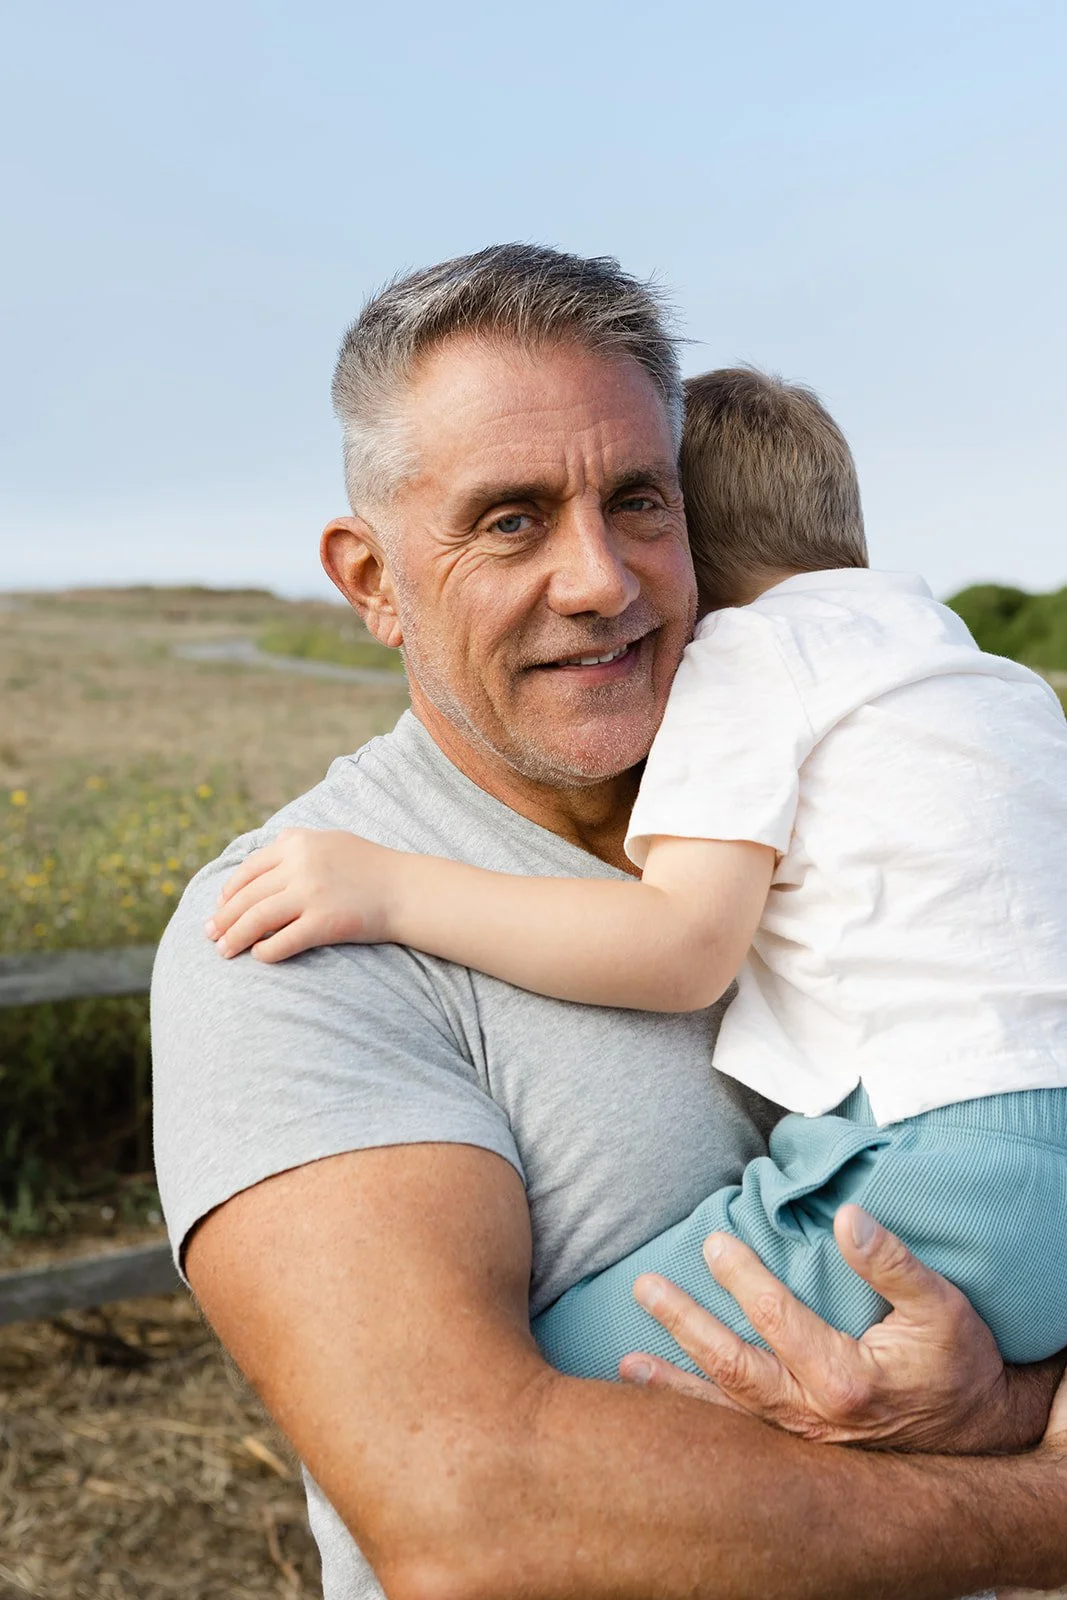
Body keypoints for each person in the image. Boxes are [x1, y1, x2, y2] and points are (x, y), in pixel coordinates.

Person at [152, 245, 1067, 1600]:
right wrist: (1040, 1495)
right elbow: (475, 1522)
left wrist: (990, 1407)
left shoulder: (870, 810)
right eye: (511, 519)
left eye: (638, 502)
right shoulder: (291, 936)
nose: (600, 579)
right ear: (371, 580)